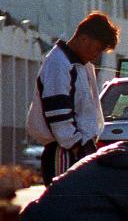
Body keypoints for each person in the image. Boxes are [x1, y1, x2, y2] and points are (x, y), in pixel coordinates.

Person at [26, 11, 119, 185]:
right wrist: (76, 145)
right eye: (98, 48)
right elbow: (58, 111)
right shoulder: (59, 63)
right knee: (66, 203)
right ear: (84, 39)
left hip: (76, 148)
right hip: (65, 151)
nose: (97, 55)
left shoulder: (80, 65)